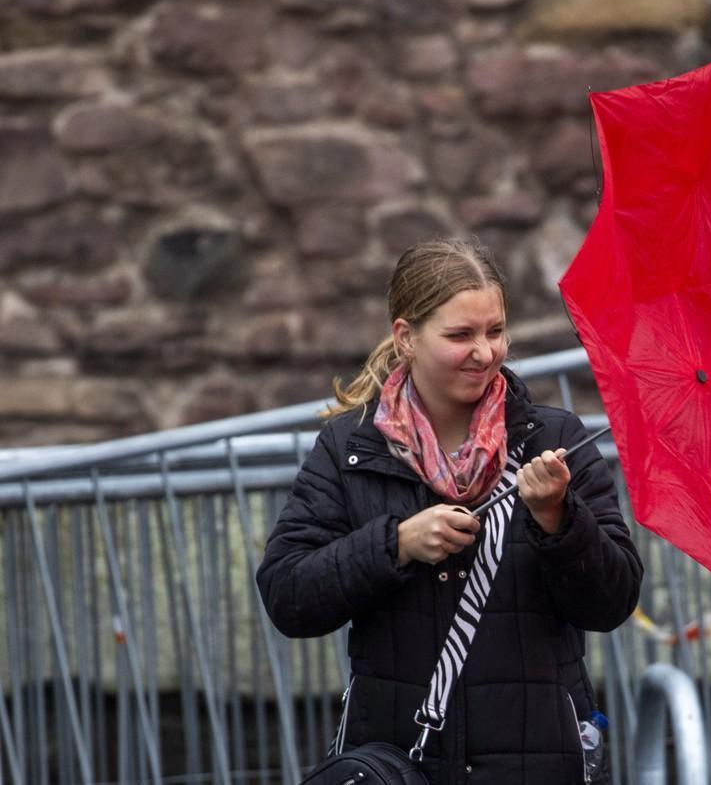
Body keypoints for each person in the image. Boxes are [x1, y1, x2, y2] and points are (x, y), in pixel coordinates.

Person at [256, 239, 643, 784]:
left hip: (538, 762)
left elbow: (612, 602)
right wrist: (395, 544)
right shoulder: (350, 448)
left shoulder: (552, 439)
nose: (484, 352)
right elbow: (287, 595)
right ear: (406, 337)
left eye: (495, 331)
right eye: (460, 335)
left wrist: (559, 519)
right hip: (403, 763)